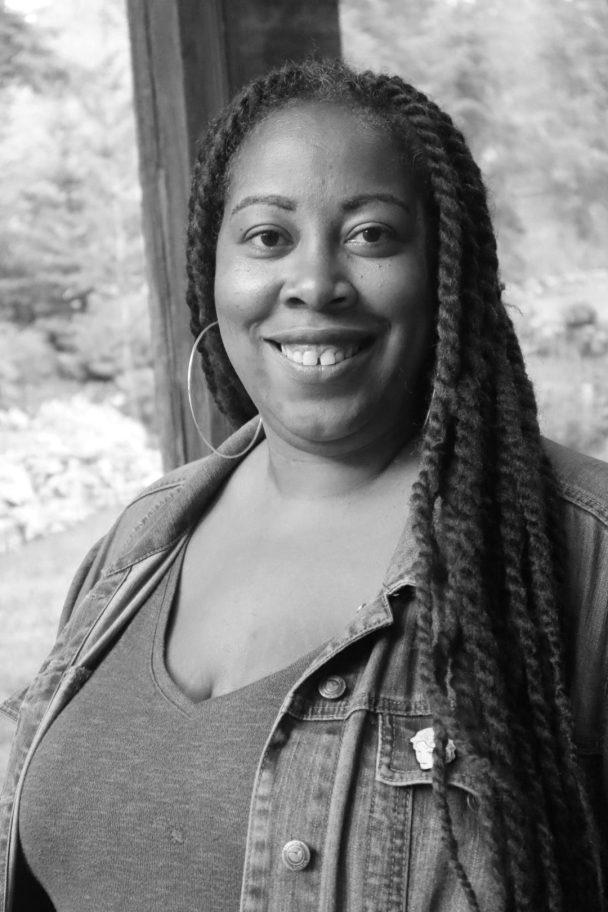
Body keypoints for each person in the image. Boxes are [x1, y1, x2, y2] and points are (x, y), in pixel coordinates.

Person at [1, 58, 606, 912]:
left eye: (372, 235)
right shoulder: (138, 543)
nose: (316, 283)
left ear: (447, 272)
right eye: (267, 236)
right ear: (212, 267)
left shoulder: (579, 552)